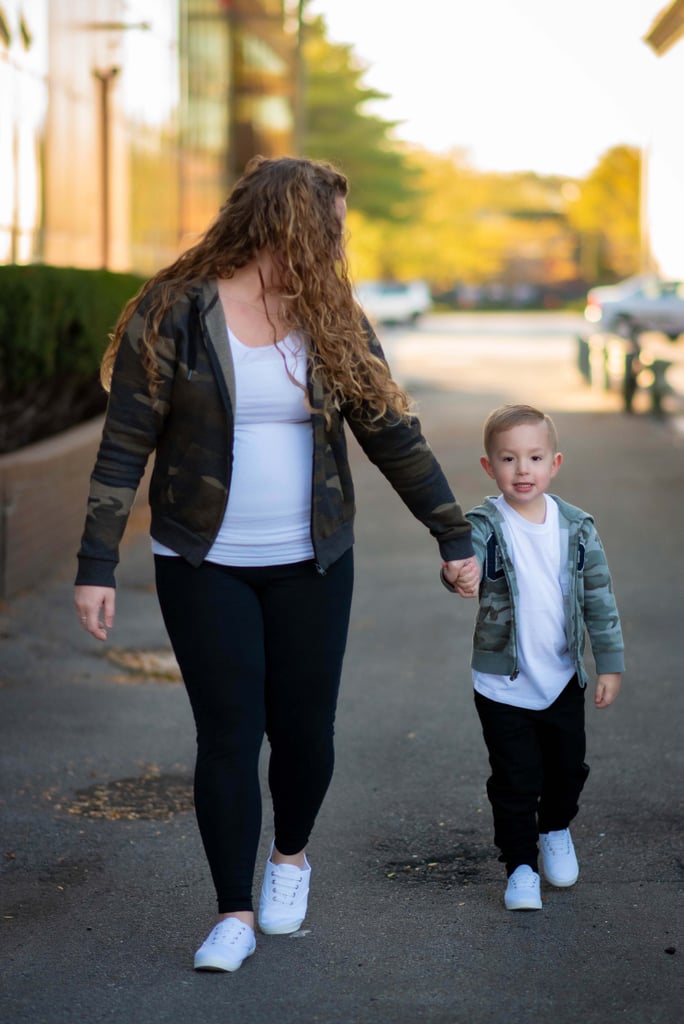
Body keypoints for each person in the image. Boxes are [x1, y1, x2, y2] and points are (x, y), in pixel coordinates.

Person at [74, 155, 480, 972]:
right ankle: (233, 914)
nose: (340, 238)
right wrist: (96, 563)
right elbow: (125, 445)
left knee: (304, 732)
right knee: (229, 735)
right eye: (331, 220)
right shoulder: (179, 310)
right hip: (200, 558)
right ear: (287, 219)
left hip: (312, 560)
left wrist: (453, 533)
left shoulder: (332, 315)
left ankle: (290, 858)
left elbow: (392, 434)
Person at [441, 404, 624, 911]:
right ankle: (520, 864)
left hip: (564, 678)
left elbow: (599, 597)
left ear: (554, 463)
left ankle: (556, 829)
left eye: (534, 457)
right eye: (509, 458)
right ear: (489, 467)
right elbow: (462, 556)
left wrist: (608, 663)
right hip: (502, 684)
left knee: (567, 770)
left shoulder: (577, 528)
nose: (522, 470)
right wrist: (458, 572)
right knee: (515, 778)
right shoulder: (485, 524)